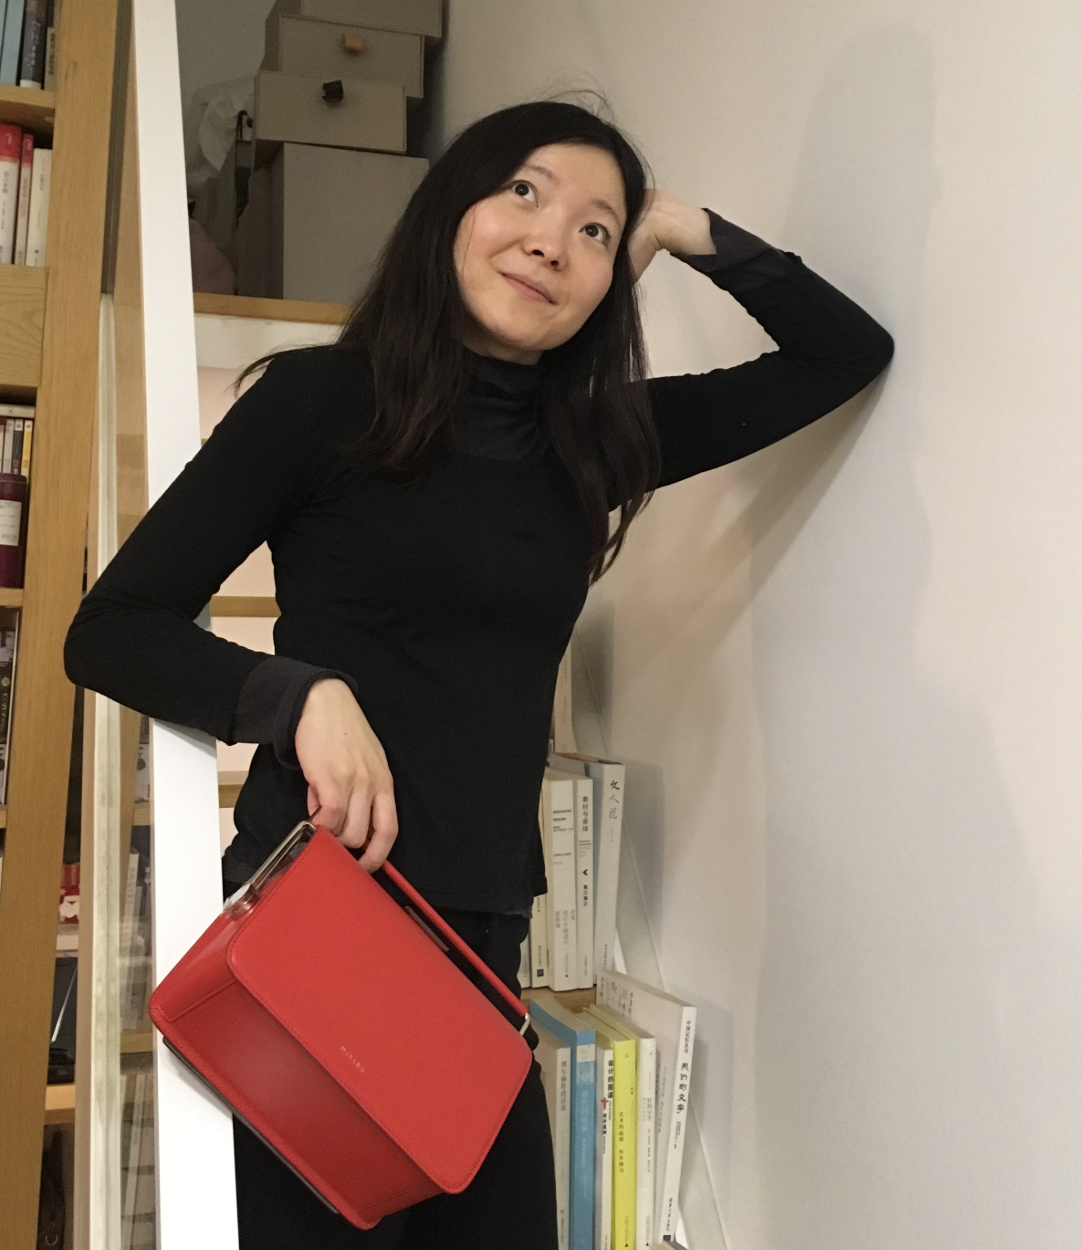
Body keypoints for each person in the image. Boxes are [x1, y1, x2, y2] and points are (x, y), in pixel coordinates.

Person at [65, 100, 893, 1249]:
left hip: (479, 948)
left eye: (594, 230)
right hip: (320, 918)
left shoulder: (594, 444)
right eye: (525, 191)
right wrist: (295, 692)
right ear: (451, 206)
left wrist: (678, 222)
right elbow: (110, 626)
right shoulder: (319, 402)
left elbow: (844, 353)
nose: (554, 237)